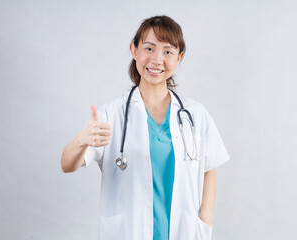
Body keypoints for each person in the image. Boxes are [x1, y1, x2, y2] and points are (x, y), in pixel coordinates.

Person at [61, 15, 230, 240]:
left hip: (183, 231)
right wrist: (82, 140)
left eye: (168, 51)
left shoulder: (195, 114)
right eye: (149, 48)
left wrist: (205, 219)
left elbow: (209, 167)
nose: (157, 59)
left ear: (179, 58)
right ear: (134, 50)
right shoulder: (111, 113)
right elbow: (67, 164)